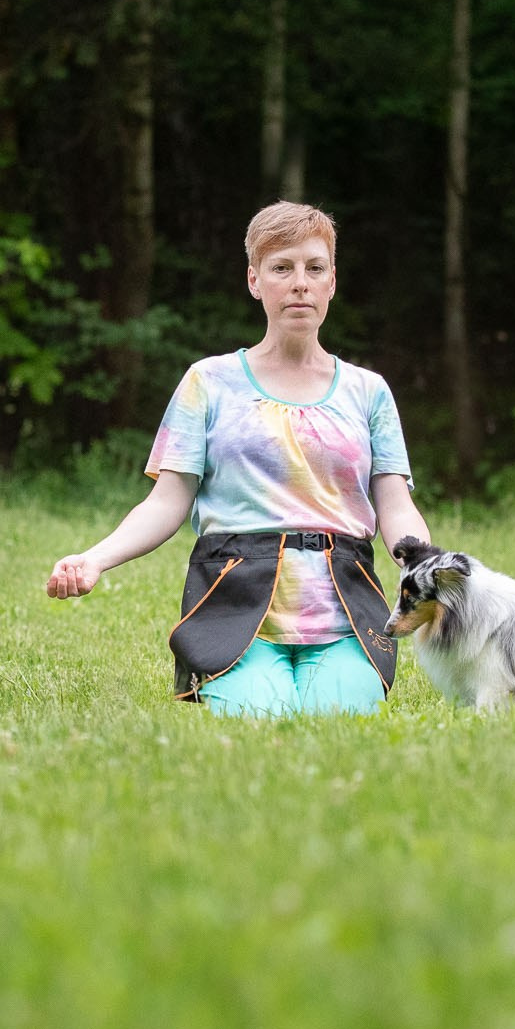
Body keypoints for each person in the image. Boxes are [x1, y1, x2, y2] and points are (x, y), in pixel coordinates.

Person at [46, 201, 429, 715]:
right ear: (254, 280)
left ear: (332, 281)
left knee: (335, 725)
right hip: (233, 607)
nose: (300, 283)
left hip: (345, 612)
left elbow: (395, 505)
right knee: (261, 722)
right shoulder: (208, 381)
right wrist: (95, 559)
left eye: (315, 268)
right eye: (281, 268)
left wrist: (430, 572)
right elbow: (167, 502)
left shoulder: (370, 392)